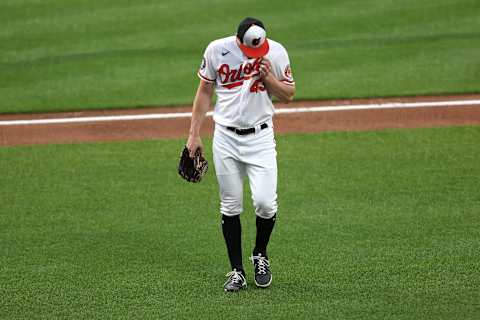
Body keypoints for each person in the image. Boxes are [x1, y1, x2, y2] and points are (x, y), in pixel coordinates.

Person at [186, 17, 295, 292]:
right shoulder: (216, 50)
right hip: (226, 138)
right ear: (238, 42)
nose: (256, 54)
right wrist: (194, 134)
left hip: (260, 138)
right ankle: (237, 271)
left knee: (266, 204)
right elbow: (204, 91)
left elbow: (289, 94)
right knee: (230, 206)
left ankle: (260, 253)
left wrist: (268, 78)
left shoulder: (276, 52)